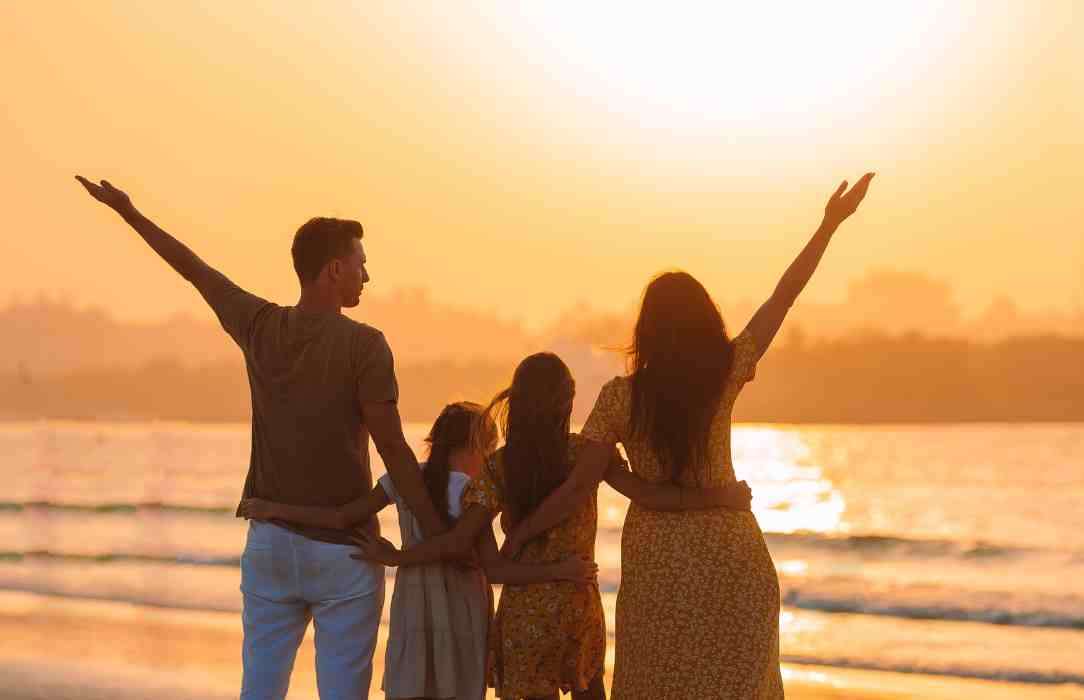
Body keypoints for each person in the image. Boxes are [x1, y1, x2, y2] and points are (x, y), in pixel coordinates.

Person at [502, 174, 875, 699]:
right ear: (704, 320)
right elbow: (783, 297)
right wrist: (829, 225)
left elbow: (576, 490)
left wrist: (519, 533)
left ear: (647, 328)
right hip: (733, 557)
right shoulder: (724, 374)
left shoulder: (619, 397)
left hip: (660, 572)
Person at [76, 177, 445, 700]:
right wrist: (436, 537)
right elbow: (394, 449)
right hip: (344, 554)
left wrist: (130, 213)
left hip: (270, 543)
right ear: (334, 270)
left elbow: (195, 271)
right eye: (360, 264)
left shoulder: (259, 325)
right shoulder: (365, 345)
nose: (368, 275)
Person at [352, 353, 752, 700]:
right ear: (567, 405)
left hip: (525, 626)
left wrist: (398, 557)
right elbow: (648, 495)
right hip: (577, 617)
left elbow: (478, 556)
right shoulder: (587, 455)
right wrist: (719, 496)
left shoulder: (498, 467)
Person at [240, 401, 597, 700]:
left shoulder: (404, 478)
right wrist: (559, 567)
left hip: (413, 606)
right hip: (462, 609)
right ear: (478, 446)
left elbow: (342, 516)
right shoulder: (476, 491)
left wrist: (276, 510)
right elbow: (491, 567)